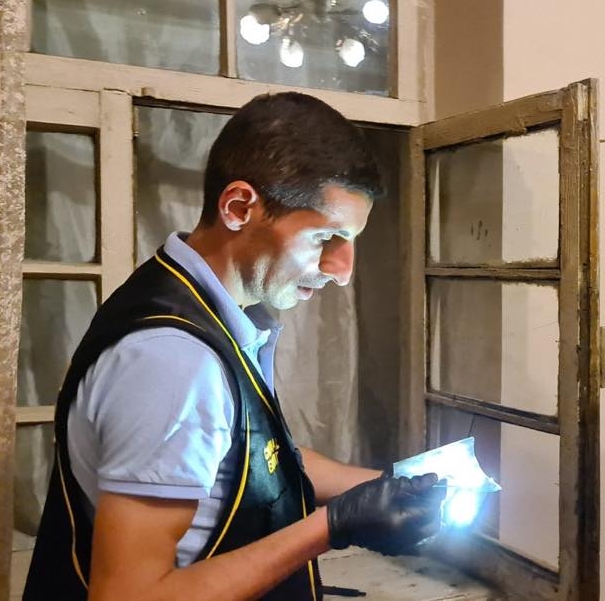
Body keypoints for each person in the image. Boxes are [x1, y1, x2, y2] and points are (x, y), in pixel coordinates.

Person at [24, 92, 443, 600]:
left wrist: (388, 486)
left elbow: (255, 459)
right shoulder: (174, 360)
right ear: (239, 207)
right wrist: (331, 527)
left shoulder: (198, 304)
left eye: (351, 241)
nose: (342, 271)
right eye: (325, 238)